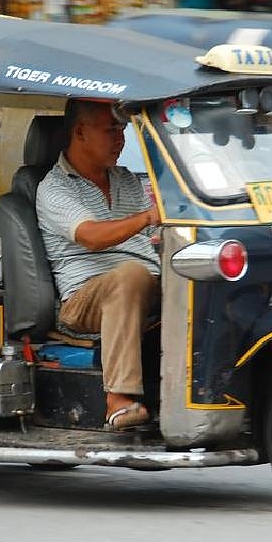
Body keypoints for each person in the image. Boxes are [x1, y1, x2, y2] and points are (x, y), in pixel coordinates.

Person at [36, 99, 160, 430]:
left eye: (121, 130)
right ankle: (117, 399)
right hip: (84, 300)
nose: (120, 139)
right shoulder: (54, 188)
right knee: (130, 275)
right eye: (110, 130)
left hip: (146, 282)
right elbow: (90, 235)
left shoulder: (127, 180)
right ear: (79, 132)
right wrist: (147, 216)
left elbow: (156, 229)